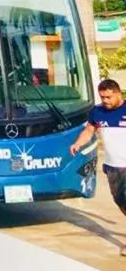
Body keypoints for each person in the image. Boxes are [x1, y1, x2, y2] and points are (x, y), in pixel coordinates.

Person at [70, 78, 126, 255]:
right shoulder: (98, 112)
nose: (106, 101)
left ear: (118, 93)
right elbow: (89, 130)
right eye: (103, 97)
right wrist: (78, 143)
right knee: (120, 201)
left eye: (109, 97)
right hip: (112, 166)